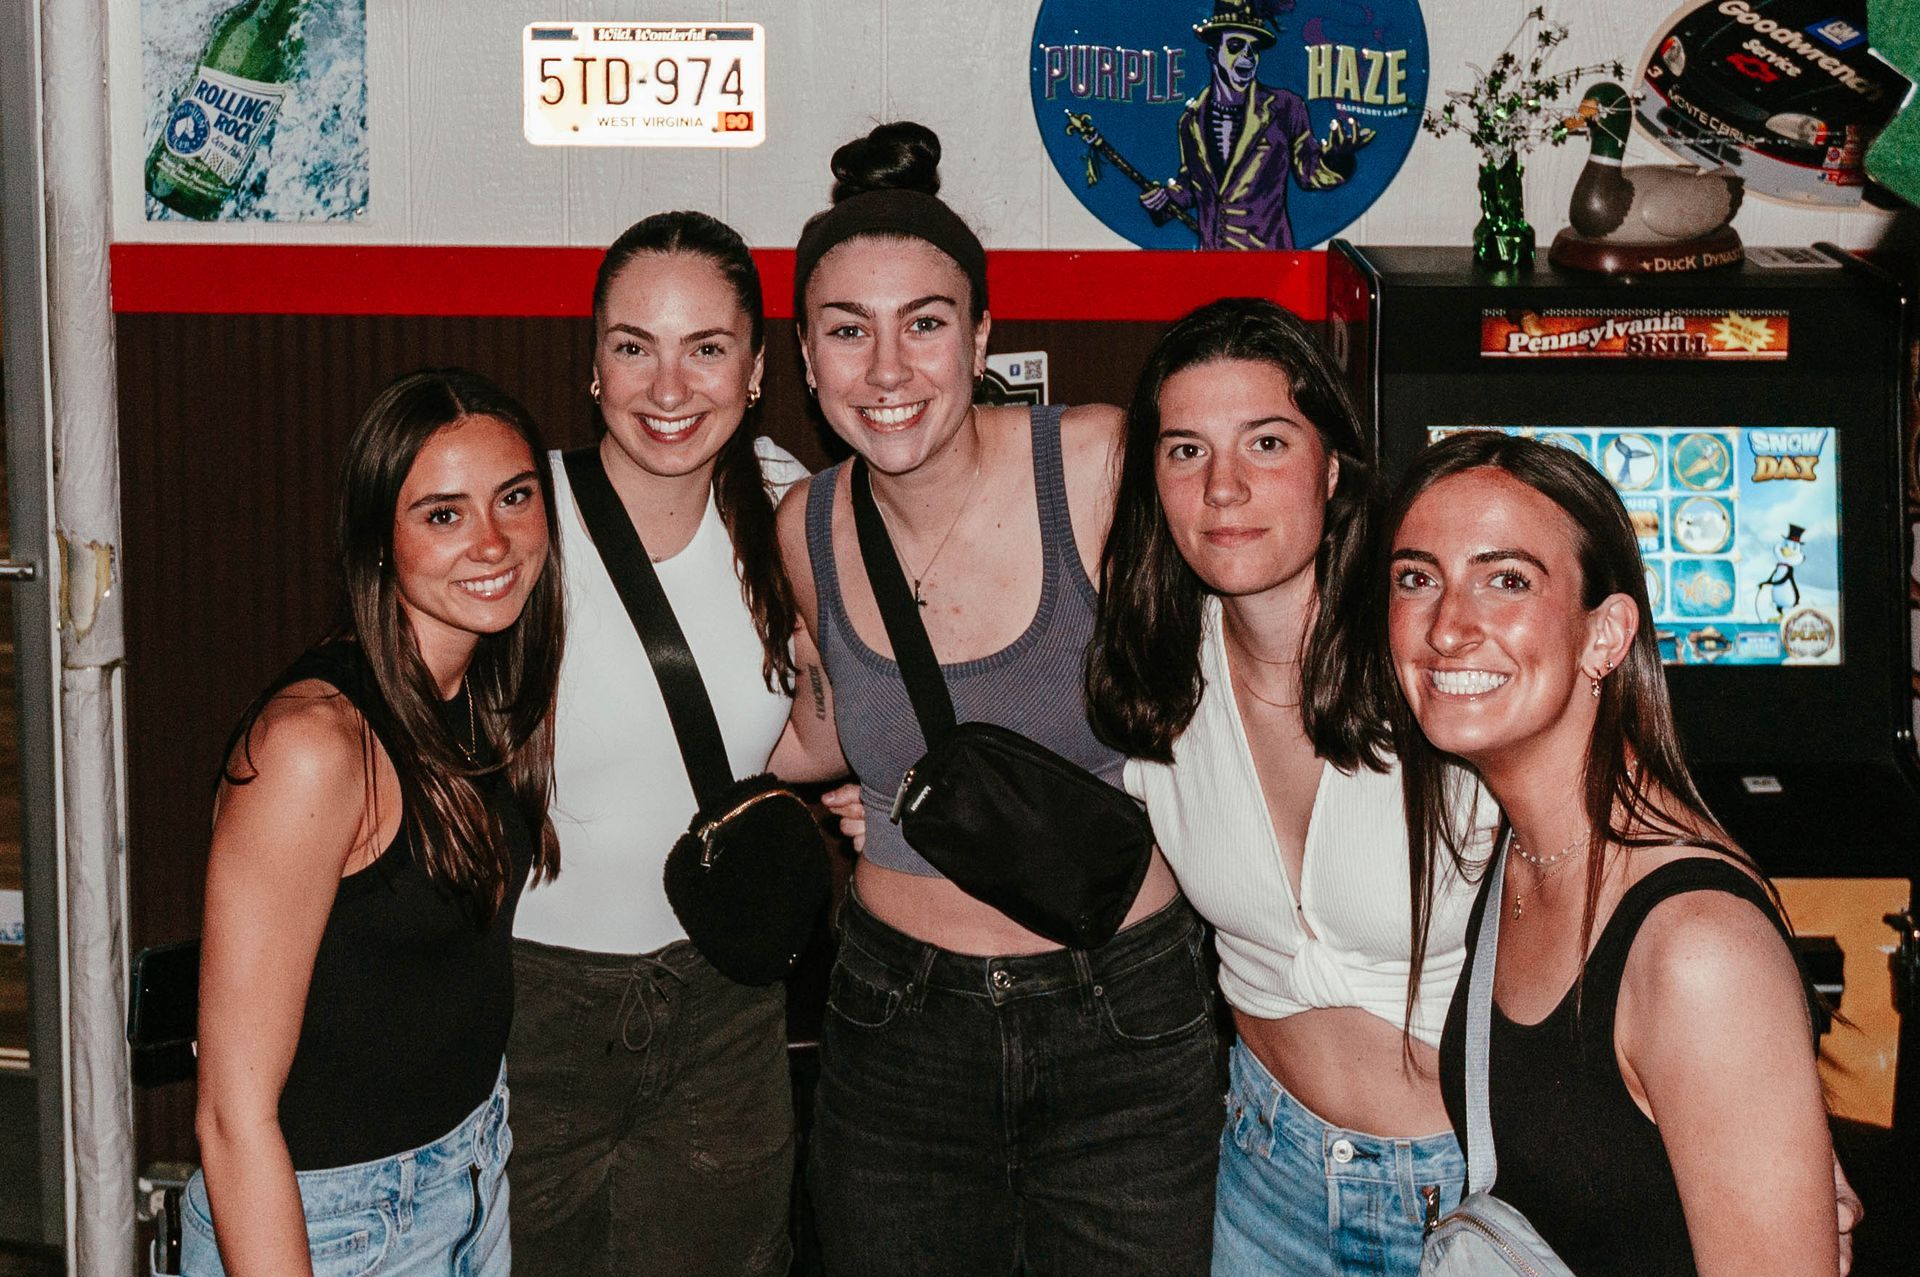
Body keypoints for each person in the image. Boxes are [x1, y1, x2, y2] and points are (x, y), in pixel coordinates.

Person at [780, 120, 1221, 1274]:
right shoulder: (808, 525)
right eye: (847, 331)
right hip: (891, 1022)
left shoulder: (1096, 464)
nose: (886, 371)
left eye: (925, 324)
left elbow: (1233, 672)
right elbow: (829, 730)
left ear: (981, 334)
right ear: (807, 355)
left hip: (1122, 1012)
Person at [1085, 298, 1495, 1275]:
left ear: (1334, 463)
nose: (1224, 486)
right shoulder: (1156, 676)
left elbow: (1645, 852)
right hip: (1265, 1175)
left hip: (1472, 1184)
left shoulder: (1442, 655)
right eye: (1185, 451)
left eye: (1266, 442)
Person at [1380, 430, 1838, 1275]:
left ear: (1606, 634)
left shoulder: (1698, 949)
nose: (1447, 626)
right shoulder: (1517, 845)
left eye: (1506, 579)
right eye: (1417, 578)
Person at [506, 210, 835, 1277]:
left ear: (755, 368)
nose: (668, 386)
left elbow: (827, 727)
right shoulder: (522, 516)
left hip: (721, 1003)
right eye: (632, 345)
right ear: (593, 362)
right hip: (527, 1003)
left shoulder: (793, 510)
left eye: (706, 348)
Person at [186, 368, 564, 1276]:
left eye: (514, 497)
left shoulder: (484, 689)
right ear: (377, 540)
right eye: (443, 514)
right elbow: (232, 1114)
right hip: (338, 1223)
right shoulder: (315, 747)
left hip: (473, 1169)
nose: (493, 541)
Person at [1138, 0, 1367, 250]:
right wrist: (1163, 199)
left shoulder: (1285, 108)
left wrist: (1336, 159)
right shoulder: (1190, 121)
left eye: (1253, 48)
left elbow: (1308, 173)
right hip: (1212, 263)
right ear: (1213, 55)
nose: (1247, 54)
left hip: (1271, 262)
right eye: (1236, 46)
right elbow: (1192, 185)